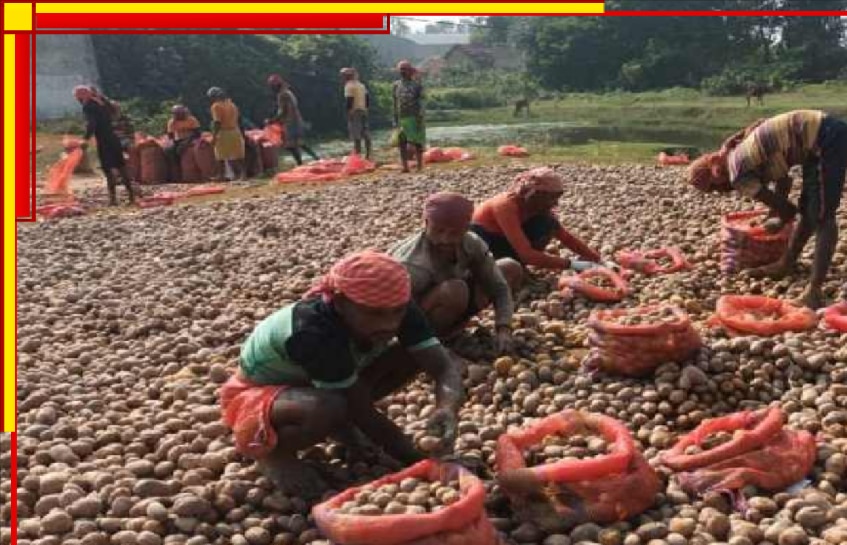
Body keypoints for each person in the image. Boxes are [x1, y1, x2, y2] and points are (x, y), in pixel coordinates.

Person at [219, 251, 465, 500]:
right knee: (328, 406)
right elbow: (361, 409)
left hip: (324, 380)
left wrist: (447, 408)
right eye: (375, 314)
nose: (390, 324)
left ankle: (341, 425)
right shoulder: (314, 331)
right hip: (257, 397)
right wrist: (420, 460)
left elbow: (443, 367)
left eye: (396, 313)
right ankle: (274, 454)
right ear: (339, 302)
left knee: (409, 355)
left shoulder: (395, 303)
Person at [687, 109, 847, 309]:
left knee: (823, 217)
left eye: (715, 189)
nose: (721, 193)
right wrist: (777, 213)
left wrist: (776, 221)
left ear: (716, 176)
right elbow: (784, 183)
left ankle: (814, 292)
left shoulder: (737, 174)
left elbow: (787, 209)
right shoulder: (739, 155)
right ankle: (786, 264)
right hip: (820, 137)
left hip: (827, 138)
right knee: (810, 210)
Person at [389, 192, 524, 357]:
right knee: (455, 290)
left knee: (509, 268)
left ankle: (457, 326)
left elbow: (499, 287)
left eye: (454, 233)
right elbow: (396, 315)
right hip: (417, 316)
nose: (445, 239)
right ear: (425, 223)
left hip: (455, 299)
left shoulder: (472, 242)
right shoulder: (412, 263)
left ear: (467, 228)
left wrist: (504, 328)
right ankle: (444, 339)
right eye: (438, 231)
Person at [471, 167, 603, 274]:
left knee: (547, 223)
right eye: (551, 198)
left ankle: (517, 268)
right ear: (534, 194)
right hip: (486, 246)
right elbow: (526, 254)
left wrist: (597, 260)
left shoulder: (535, 207)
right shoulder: (505, 206)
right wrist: (573, 264)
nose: (555, 203)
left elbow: (566, 237)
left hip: (504, 241)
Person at [74, 85, 138, 206]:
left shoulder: (88, 105)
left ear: (82, 95)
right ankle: (131, 197)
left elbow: (92, 124)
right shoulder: (102, 102)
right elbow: (112, 114)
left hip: (104, 141)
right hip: (113, 139)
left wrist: (85, 139)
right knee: (121, 167)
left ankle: (113, 200)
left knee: (107, 169)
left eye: (77, 97)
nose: (77, 100)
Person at [267, 74, 320, 166]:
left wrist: (272, 120)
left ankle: (302, 163)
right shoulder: (287, 92)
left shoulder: (282, 95)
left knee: (291, 145)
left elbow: (284, 111)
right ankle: (315, 158)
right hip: (295, 120)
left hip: (291, 122)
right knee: (298, 143)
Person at [391, 61, 425, 173]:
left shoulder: (417, 85)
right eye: (401, 69)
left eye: (405, 69)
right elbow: (395, 102)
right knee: (402, 142)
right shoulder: (396, 85)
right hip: (402, 117)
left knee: (417, 142)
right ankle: (405, 166)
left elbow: (421, 102)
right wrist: (395, 118)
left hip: (414, 117)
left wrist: (420, 118)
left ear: (410, 71)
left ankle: (420, 166)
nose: (403, 71)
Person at [207, 87, 245, 182]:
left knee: (220, 155)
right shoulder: (232, 104)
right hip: (235, 131)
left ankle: (221, 175)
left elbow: (217, 122)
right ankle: (242, 174)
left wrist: (214, 136)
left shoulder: (216, 106)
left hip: (224, 132)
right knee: (237, 154)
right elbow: (239, 119)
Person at [164, 104, 202, 179]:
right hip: (179, 140)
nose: (178, 115)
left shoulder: (191, 119)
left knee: (181, 149)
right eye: (176, 114)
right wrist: (170, 144)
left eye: (180, 113)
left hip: (192, 139)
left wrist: (187, 141)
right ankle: (176, 170)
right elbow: (170, 135)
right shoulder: (172, 122)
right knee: (168, 150)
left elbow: (197, 134)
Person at [341, 67, 371, 159]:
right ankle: (368, 155)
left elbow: (349, 100)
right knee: (365, 132)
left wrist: (349, 112)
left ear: (346, 77)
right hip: (363, 110)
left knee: (356, 135)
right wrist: (366, 108)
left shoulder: (349, 86)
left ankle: (358, 156)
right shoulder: (361, 85)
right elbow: (367, 97)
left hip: (354, 111)